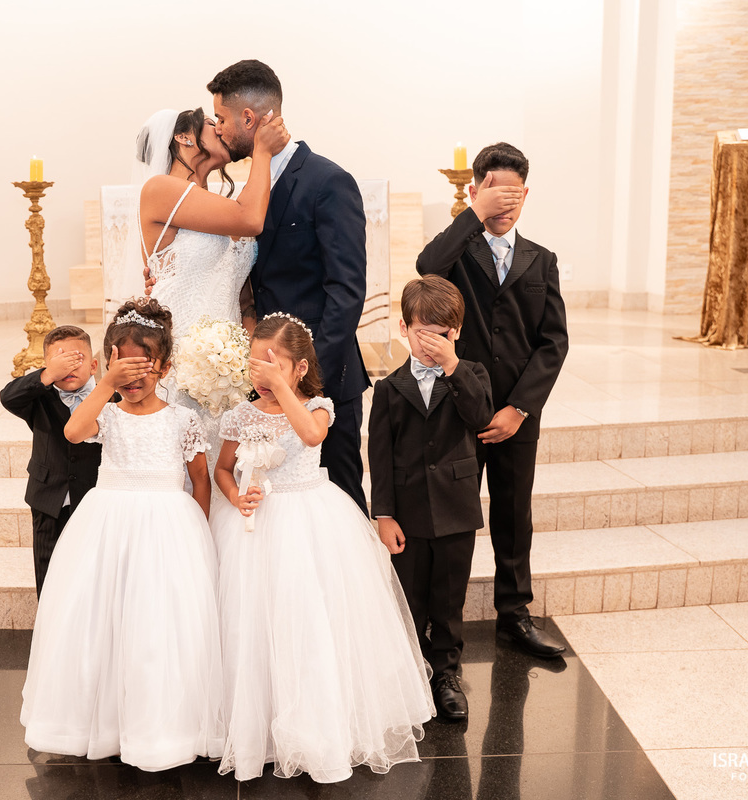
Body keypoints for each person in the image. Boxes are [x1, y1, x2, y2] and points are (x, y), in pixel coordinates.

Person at [211, 313, 433, 783]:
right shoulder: (239, 414)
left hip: (310, 522)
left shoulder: (319, 406)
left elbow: (311, 437)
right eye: (256, 365)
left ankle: (319, 726)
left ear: (299, 368)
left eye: (275, 365)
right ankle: (260, 724)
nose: (263, 374)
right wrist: (236, 497)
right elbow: (223, 469)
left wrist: (281, 390)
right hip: (255, 527)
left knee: (310, 621)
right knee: (254, 624)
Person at [20, 297, 224, 771]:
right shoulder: (106, 415)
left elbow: (199, 480)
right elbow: (72, 432)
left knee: (158, 628)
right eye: (121, 371)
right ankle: (103, 721)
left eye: (144, 371)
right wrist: (105, 386)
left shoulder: (182, 419)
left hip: (168, 528)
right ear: (108, 365)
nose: (132, 382)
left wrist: (202, 535)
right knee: (101, 622)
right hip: (108, 525)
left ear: (166, 367)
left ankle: (160, 727)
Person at [416, 142, 569, 659]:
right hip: (460, 409)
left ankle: (515, 616)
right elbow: (426, 266)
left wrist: (520, 407)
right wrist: (474, 214)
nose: (506, 206)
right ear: (478, 189)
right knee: (454, 521)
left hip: (516, 416)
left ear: (526, 195)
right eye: (495, 193)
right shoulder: (459, 253)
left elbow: (553, 342)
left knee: (512, 513)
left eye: (515, 195)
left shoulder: (541, 260)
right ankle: (443, 624)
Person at [208, 59, 370, 513]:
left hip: (322, 378)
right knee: (271, 499)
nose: (218, 129)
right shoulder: (250, 188)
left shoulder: (327, 181)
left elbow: (347, 289)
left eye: (222, 118)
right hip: (263, 380)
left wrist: (309, 381)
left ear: (249, 119)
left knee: (339, 499)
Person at [367, 276, 494, 721]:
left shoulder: (472, 374)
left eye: (440, 334)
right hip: (409, 514)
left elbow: (481, 419)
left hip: (457, 511)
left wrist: (454, 367)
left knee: (448, 600)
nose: (430, 344)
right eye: (421, 332)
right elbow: (379, 457)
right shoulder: (387, 389)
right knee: (411, 598)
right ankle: (412, 671)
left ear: (455, 332)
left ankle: (446, 674)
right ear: (404, 328)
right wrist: (383, 514)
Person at [137, 106, 289, 467]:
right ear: (183, 137)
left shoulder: (217, 203)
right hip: (183, 357)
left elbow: (241, 291)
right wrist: (263, 152)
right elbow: (251, 220)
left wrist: (253, 355)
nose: (220, 129)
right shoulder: (160, 189)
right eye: (210, 123)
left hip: (230, 366)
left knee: (228, 472)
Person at [0, 326, 101, 598]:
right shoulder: (38, 399)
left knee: (91, 571)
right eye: (59, 360)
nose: (68, 366)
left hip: (93, 498)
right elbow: (8, 397)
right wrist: (48, 376)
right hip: (49, 499)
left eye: (76, 359)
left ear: (93, 365)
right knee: (49, 571)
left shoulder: (109, 399)